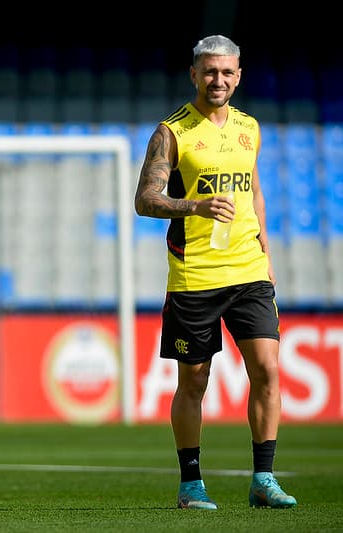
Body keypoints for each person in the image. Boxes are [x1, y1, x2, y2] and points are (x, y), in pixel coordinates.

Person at [133, 35, 297, 510]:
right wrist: (195, 206)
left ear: (239, 74)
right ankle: (190, 484)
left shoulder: (250, 127)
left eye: (227, 72)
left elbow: (254, 191)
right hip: (195, 277)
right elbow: (145, 200)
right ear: (194, 74)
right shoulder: (172, 132)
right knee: (195, 382)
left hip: (249, 271)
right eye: (209, 72)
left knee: (267, 370)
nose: (218, 80)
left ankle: (263, 479)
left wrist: (265, 248)